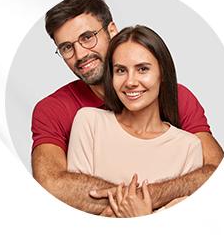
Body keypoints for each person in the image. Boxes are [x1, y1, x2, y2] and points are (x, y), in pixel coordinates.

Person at [30, 0, 223, 215]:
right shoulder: (57, 110)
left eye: (87, 37)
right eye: (66, 47)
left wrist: (141, 202)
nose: (80, 54)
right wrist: (137, 205)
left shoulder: (178, 98)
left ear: (112, 31)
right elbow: (51, 184)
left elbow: (216, 172)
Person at [67, 25, 205, 216]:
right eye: (121, 70)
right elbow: (77, 208)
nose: (130, 82)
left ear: (163, 73)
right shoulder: (89, 122)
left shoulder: (188, 147)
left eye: (142, 69)